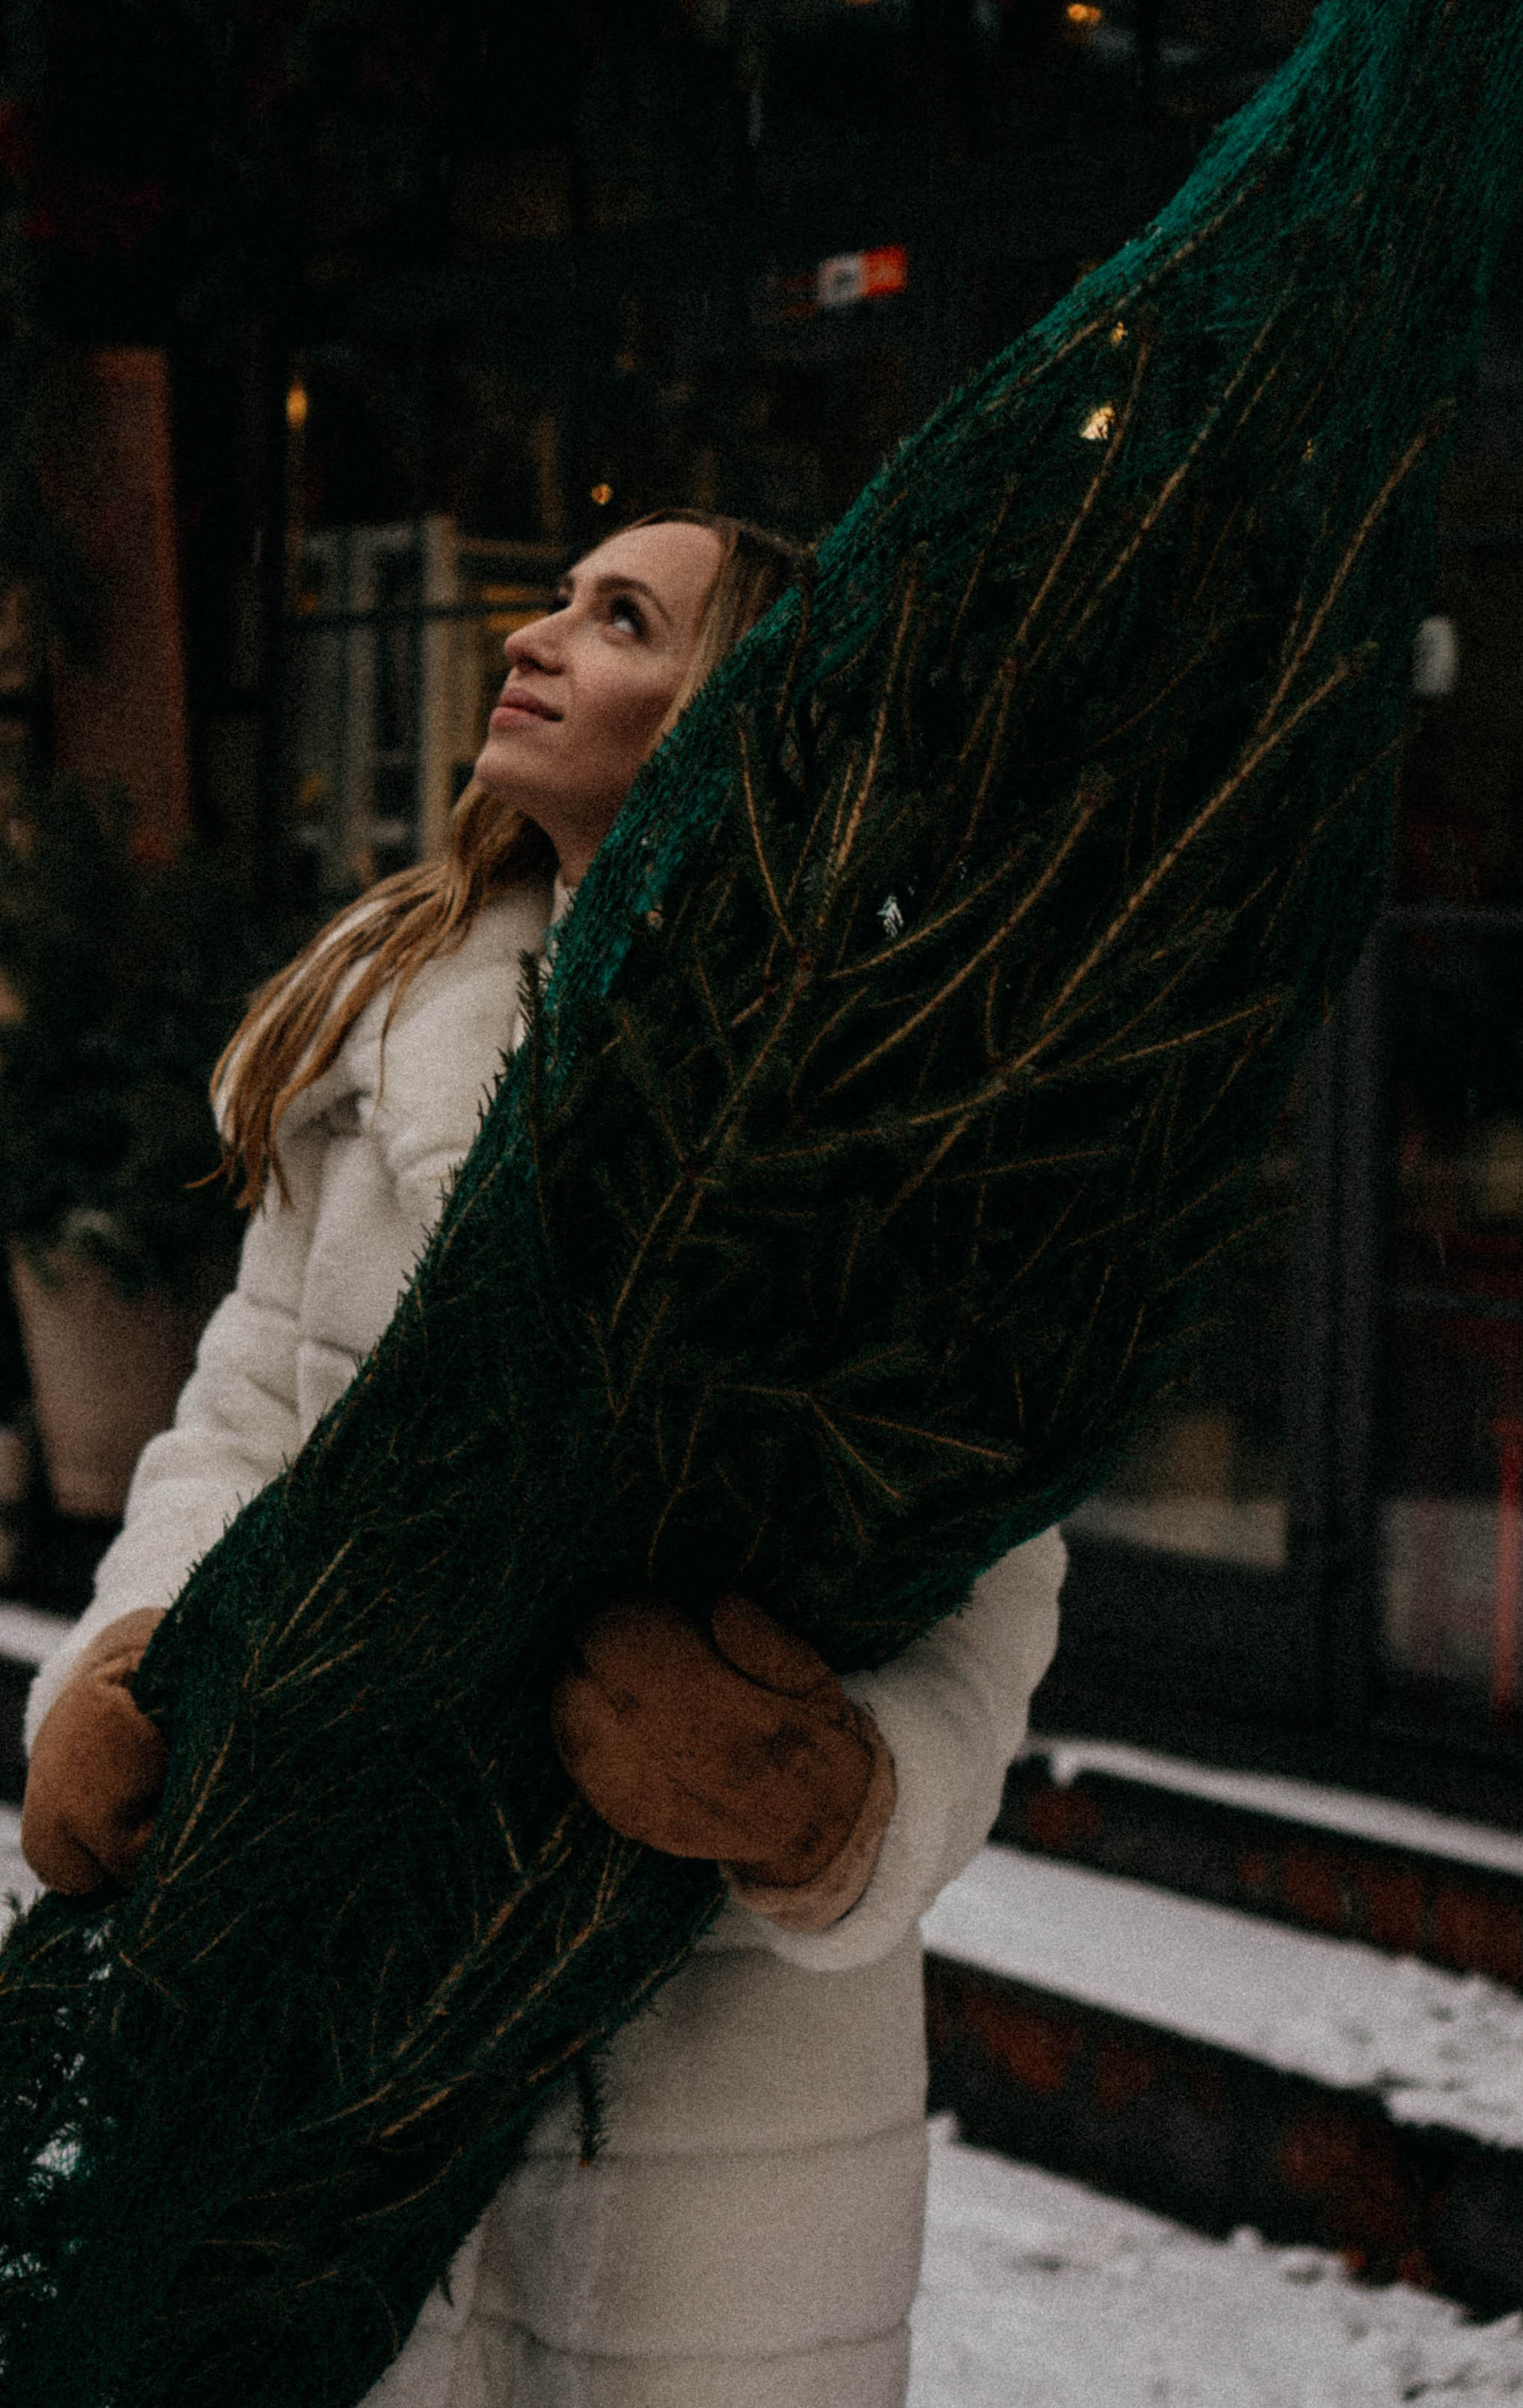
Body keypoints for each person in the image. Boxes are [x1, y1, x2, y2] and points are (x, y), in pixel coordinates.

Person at [18, 508, 1068, 2408]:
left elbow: (989, 1577)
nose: (537, 631)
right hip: (334, 1963)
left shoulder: (889, 1091)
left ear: (746, 712)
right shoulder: (382, 1027)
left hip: (712, 2058)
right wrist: (132, 1655)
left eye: (621, 620)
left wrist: (823, 1803)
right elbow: (244, 1412)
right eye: (560, 595)